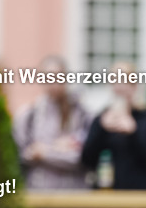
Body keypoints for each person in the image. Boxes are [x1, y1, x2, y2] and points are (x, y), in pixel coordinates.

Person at [81, 62, 146, 190]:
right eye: (115, 81)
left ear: (135, 86)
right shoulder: (101, 120)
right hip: (106, 196)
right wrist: (101, 130)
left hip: (141, 198)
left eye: (125, 81)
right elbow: (86, 160)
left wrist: (134, 133)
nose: (120, 87)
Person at [12, 55, 91, 189]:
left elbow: (82, 157)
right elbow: (22, 154)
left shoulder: (82, 114)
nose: (53, 83)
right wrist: (60, 149)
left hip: (75, 195)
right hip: (39, 193)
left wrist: (44, 152)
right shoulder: (29, 116)